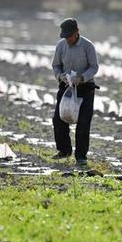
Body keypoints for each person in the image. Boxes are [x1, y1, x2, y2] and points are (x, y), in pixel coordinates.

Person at [51, 18, 99, 168]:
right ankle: (64, 150)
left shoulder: (88, 46)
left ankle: (81, 157)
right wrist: (61, 76)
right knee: (58, 120)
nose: (68, 39)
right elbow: (56, 65)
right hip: (66, 86)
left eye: (70, 36)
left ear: (77, 32)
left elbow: (94, 67)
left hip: (85, 88)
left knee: (83, 123)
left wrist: (82, 78)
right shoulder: (61, 46)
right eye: (65, 37)